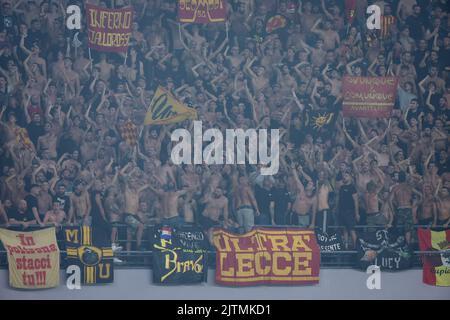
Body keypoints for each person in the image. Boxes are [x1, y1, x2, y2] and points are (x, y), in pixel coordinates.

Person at [337, 172, 359, 249]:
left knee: (352, 230)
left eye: (346, 176)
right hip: (341, 212)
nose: (344, 177)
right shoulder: (341, 187)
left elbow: (356, 201)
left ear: (350, 177)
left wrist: (357, 214)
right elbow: (339, 199)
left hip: (350, 212)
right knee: (344, 229)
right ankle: (346, 247)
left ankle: (357, 248)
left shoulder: (352, 187)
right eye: (343, 176)